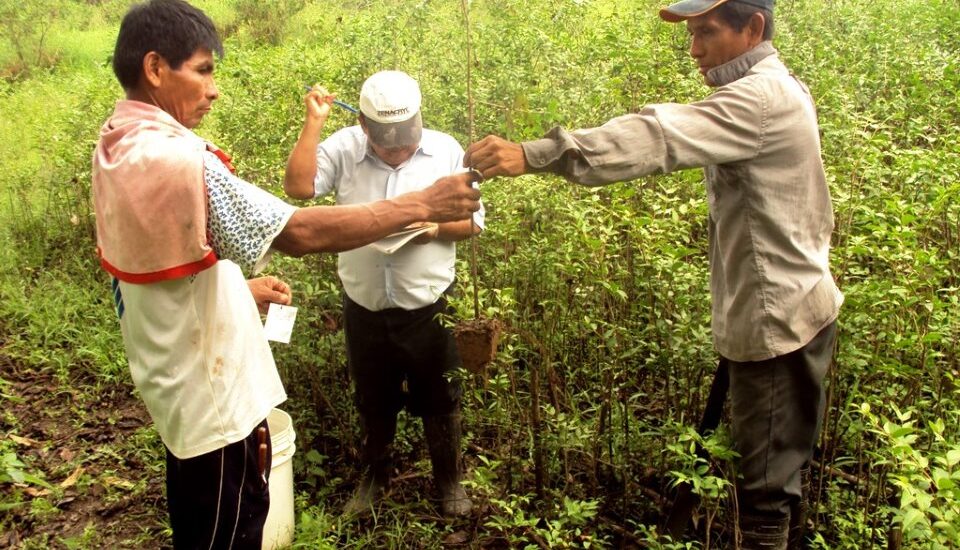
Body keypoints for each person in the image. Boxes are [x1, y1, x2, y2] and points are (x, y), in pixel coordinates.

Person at [92, 1, 481, 548]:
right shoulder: (180, 160)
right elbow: (296, 231)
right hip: (210, 398)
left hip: (177, 384)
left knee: (208, 516)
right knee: (229, 522)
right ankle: (375, 474)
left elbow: (161, 262)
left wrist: (234, 289)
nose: (214, 90)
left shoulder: (118, 142)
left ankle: (447, 479)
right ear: (155, 68)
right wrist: (420, 205)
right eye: (203, 71)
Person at [464, 0, 842, 547]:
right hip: (792, 308)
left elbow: (658, 136)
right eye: (691, 34)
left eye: (706, 32)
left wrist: (538, 153)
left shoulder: (759, 99)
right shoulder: (778, 88)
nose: (694, 49)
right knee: (780, 463)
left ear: (753, 28)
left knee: (766, 492)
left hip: (778, 325)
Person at [284, 70, 483, 517]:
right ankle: (375, 477)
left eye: (405, 139)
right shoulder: (342, 149)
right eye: (386, 142)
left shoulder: (445, 150)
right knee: (373, 397)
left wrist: (435, 229)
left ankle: (449, 481)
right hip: (365, 305)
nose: (398, 150)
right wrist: (314, 123)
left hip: (430, 305)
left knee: (441, 395)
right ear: (363, 125)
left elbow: (473, 221)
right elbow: (298, 188)